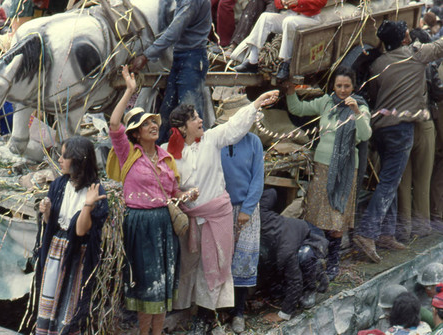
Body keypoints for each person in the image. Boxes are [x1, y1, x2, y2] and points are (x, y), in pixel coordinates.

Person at [163, 88, 279, 333]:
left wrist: (257, 103)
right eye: (195, 118)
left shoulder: (212, 139)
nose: (201, 120)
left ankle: (205, 318)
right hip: (190, 219)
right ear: (183, 128)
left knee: (213, 265)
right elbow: (166, 185)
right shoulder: (168, 152)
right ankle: (186, 310)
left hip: (217, 217)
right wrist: (182, 197)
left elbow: (236, 125)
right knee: (189, 265)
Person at [107, 65, 197, 335]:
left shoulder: (166, 158)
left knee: (161, 284)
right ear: (134, 133)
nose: (153, 125)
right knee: (146, 285)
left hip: (163, 224)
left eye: (154, 122)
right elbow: (113, 124)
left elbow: (172, 195)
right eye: (146, 123)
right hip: (140, 224)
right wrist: (130, 91)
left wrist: (186, 195)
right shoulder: (128, 153)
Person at [354, 20, 443, 264]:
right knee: (389, 184)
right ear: (404, 39)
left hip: (380, 129)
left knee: (389, 181)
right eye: (406, 34)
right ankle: (367, 232)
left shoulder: (378, 64)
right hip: (401, 130)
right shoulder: (415, 55)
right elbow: (440, 46)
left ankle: (386, 234)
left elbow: (373, 96)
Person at [285, 66, 372, 279]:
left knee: (336, 218)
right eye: (339, 85)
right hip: (322, 168)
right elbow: (298, 109)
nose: (342, 90)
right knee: (316, 215)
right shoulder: (326, 102)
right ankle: (315, 261)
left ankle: (333, 263)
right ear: (333, 86)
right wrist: (290, 91)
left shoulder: (360, 107)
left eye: (347, 86)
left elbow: (365, 135)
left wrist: (357, 113)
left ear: (353, 86)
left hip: (345, 171)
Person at [35, 136, 109, 334]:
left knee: (70, 302)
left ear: (78, 160)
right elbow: (51, 223)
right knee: (49, 298)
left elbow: (80, 230)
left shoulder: (95, 191)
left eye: (64, 156)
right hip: (56, 252)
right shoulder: (59, 184)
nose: (59, 159)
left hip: (77, 256)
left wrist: (88, 205)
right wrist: (46, 211)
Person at [131, 0, 211, 144]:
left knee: (190, 116)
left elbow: (173, 32)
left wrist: (146, 56)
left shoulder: (190, 2)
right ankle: (160, 155)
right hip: (182, 57)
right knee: (167, 113)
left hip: (192, 59)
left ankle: (197, 157)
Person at [220, 106, 264, 333]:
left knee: (243, 260)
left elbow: (258, 178)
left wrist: (247, 209)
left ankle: (238, 312)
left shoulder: (254, 142)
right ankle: (218, 312)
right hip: (220, 209)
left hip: (247, 210)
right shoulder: (217, 140)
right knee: (220, 260)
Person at [258, 188, 328, 322]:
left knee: (304, 256)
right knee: (275, 291)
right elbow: (272, 192)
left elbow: (295, 282)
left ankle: (312, 285)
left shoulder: (285, 251)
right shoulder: (258, 213)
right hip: (289, 235)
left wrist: (282, 315)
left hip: (311, 236)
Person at [396, 28, 439, 242]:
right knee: (423, 179)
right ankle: (421, 226)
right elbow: (438, 91)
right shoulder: (423, 60)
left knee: (404, 180)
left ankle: (403, 228)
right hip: (423, 122)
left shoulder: (389, 62)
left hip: (400, 123)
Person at [230, 0, 327, 79]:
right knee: (265, 17)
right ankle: (252, 61)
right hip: (290, 16)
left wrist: (298, 2)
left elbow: (321, 2)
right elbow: (277, 3)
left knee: (288, 22)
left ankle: (286, 63)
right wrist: (282, 2)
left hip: (310, 19)